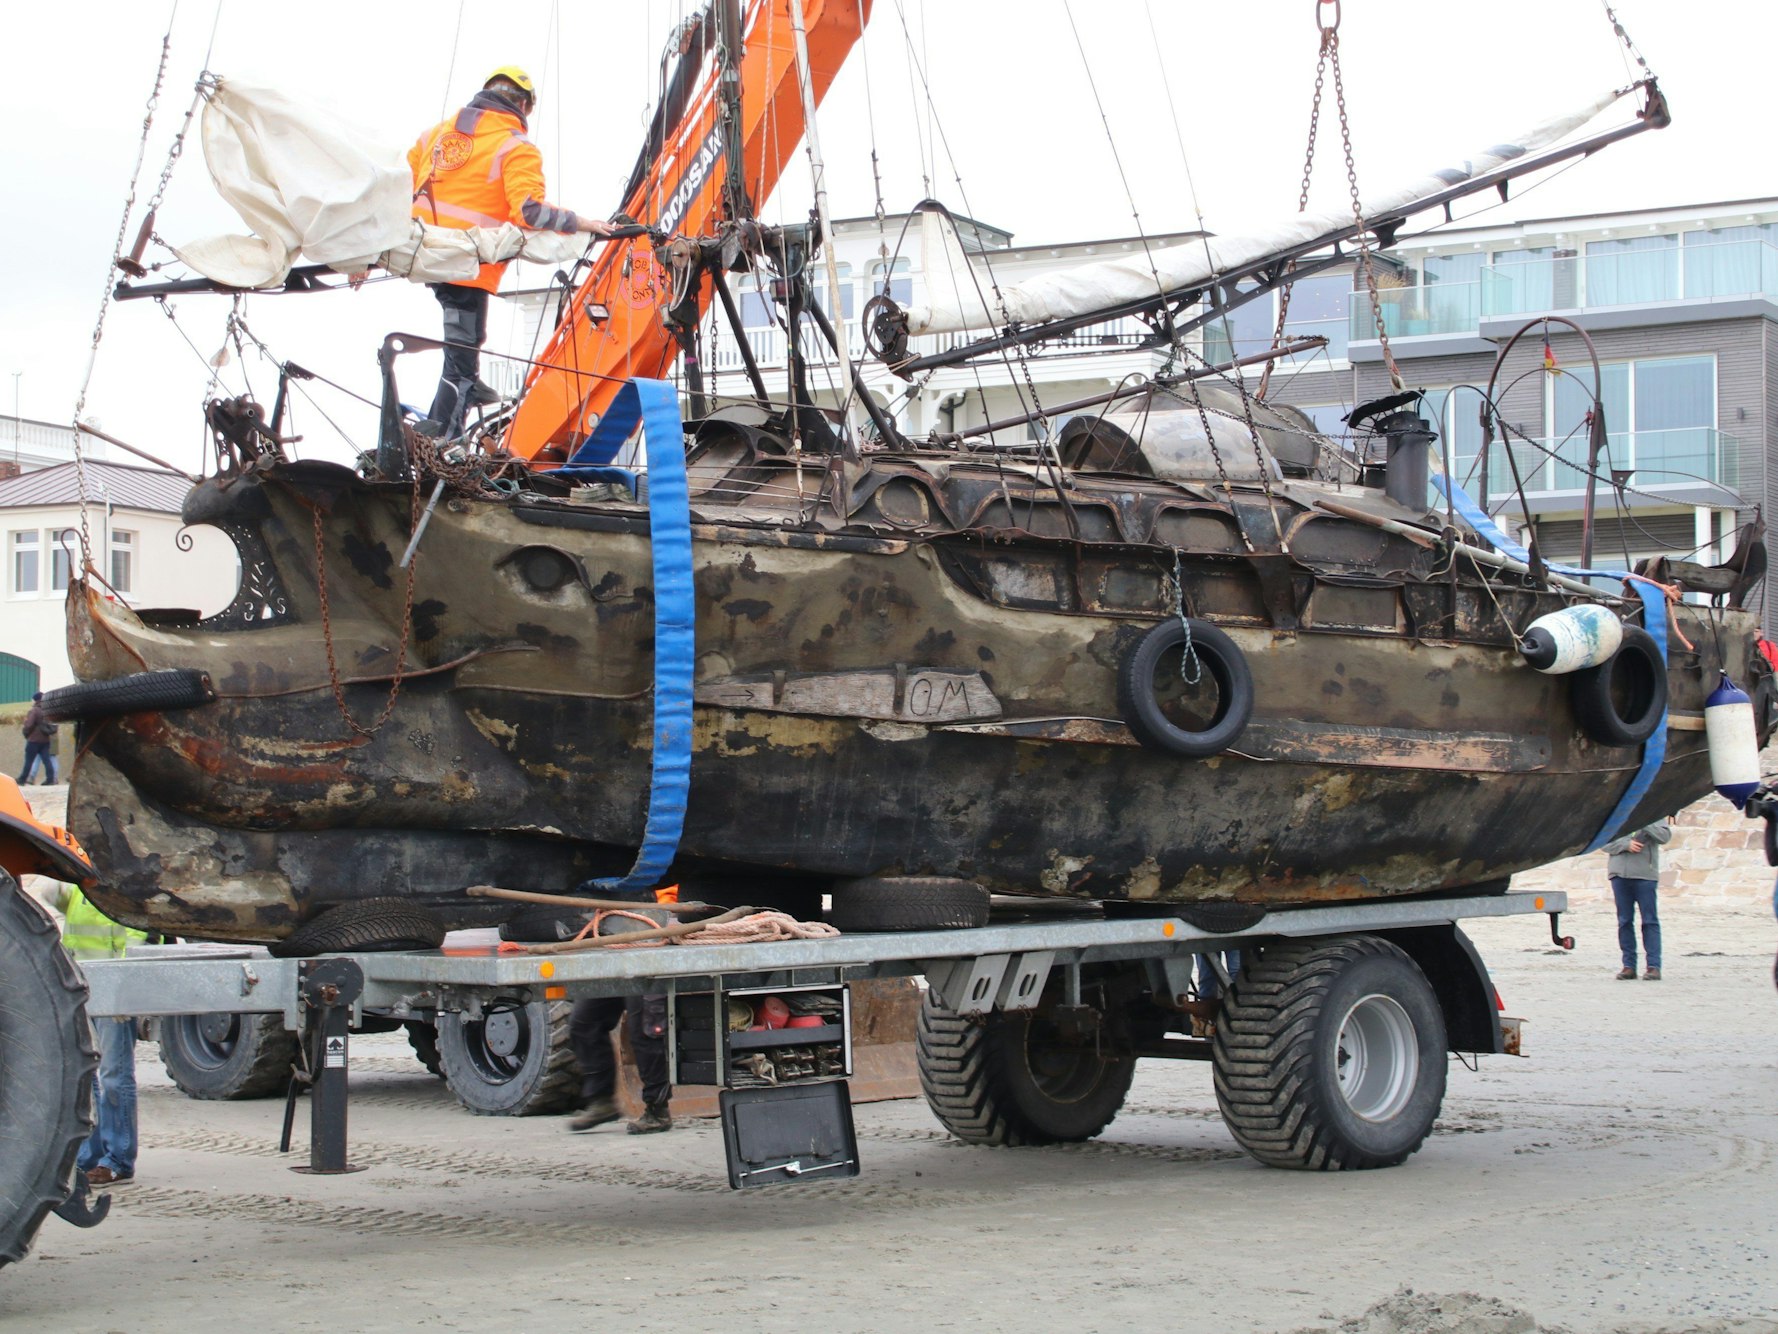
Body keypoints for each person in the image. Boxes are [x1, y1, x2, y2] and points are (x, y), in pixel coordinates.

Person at [408, 66, 615, 438]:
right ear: (521, 104)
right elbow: (529, 212)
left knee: (463, 354)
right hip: (469, 264)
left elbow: (396, 193)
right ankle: (441, 443)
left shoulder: (432, 137)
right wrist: (583, 223)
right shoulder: (514, 146)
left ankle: (462, 400)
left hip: (426, 256)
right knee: (460, 365)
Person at [54, 884, 147, 1185]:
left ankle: (118, 1159)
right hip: (80, 986)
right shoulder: (78, 885)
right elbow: (49, 893)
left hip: (114, 989)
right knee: (87, 1076)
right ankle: (88, 1157)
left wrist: (124, 987)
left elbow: (139, 936)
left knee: (114, 1076)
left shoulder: (122, 888)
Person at [567, 994, 673, 1135]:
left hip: (642, 975)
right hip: (610, 973)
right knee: (583, 1023)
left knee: (643, 1030)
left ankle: (658, 1111)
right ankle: (602, 1102)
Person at [1602, 817, 1671, 981]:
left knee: (1649, 921)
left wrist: (1645, 822)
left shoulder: (1655, 814)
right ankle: (1628, 966)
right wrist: (1625, 845)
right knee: (1624, 921)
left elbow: (1664, 837)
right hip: (1619, 874)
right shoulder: (1618, 813)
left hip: (1645, 876)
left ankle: (1653, 966)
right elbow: (1602, 841)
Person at [17, 692, 58, 786]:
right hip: (45, 740)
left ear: (35, 700)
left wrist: (26, 733)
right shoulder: (49, 710)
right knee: (47, 760)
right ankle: (50, 779)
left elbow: (29, 724)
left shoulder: (35, 710)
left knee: (29, 761)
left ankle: (22, 779)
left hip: (34, 740)